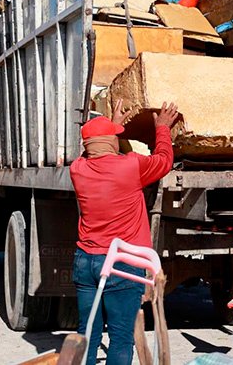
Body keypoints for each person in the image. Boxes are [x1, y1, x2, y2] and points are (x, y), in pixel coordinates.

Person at [70, 100, 179, 365]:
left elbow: (95, 148)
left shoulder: (78, 169)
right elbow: (164, 161)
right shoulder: (130, 166)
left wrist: (112, 124)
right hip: (121, 263)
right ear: (110, 142)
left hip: (86, 262)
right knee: (121, 337)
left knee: (88, 334)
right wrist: (162, 128)